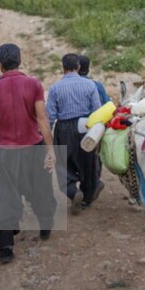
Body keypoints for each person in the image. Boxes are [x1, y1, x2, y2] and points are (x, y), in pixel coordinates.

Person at [0, 44, 56, 264]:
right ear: (19, 61)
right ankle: (45, 226)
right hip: (33, 147)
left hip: (4, 152)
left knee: (4, 195)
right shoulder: (34, 84)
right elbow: (42, 119)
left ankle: (6, 248)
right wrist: (50, 150)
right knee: (40, 188)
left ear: (0, 65)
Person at [46, 53, 105, 215]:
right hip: (85, 125)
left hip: (64, 128)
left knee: (63, 163)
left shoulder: (55, 88)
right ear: (79, 67)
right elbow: (97, 111)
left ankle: (72, 191)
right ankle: (88, 195)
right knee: (88, 162)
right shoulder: (90, 85)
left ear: (63, 68)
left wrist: (46, 135)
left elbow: (50, 116)